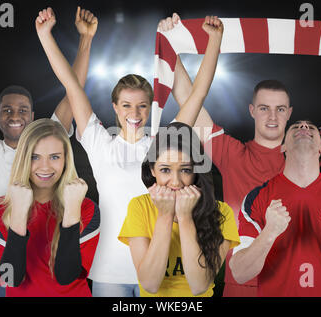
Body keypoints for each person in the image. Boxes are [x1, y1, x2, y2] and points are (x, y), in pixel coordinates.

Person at [160, 14, 321, 296]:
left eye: (280, 109)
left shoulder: (309, 147)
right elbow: (188, 100)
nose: (272, 116)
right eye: (264, 108)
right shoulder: (230, 153)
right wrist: (171, 48)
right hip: (243, 282)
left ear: (289, 113)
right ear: (252, 111)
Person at [36, 8, 224, 296]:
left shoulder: (163, 143)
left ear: (151, 107)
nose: (134, 113)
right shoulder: (99, 141)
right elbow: (71, 85)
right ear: (115, 106)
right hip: (109, 272)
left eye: (142, 106)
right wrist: (45, 36)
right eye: (126, 105)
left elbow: (198, 94)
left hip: (160, 269)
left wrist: (214, 41)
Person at [0, 5, 95, 296]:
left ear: (33, 116)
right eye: (7, 110)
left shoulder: (44, 145)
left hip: (38, 274)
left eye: (23, 110)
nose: (15, 115)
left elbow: (73, 93)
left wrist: (85, 41)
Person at [229, 120, 321, 296]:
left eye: (311, 127)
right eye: (296, 126)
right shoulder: (257, 197)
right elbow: (240, 273)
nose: (304, 127)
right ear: (282, 148)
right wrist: (269, 232)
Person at [118, 122, 239, 297]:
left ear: (196, 171)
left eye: (185, 170)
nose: (175, 182)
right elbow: (150, 284)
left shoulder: (222, 212)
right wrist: (165, 215)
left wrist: (185, 217)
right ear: (152, 169)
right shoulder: (139, 206)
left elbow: (199, 286)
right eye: (165, 170)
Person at [0, 118, 100, 296]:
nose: (45, 167)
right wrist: (18, 215)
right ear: (23, 158)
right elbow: (9, 279)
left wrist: (71, 212)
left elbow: (67, 276)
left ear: (66, 160)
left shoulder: (85, 208)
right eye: (34, 157)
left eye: (54, 157)